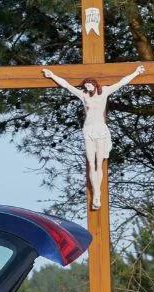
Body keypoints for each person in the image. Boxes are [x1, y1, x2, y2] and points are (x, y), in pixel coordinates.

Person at [42, 64, 144, 209]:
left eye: (90, 85)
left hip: (101, 130)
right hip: (88, 130)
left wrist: (136, 72)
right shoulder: (83, 95)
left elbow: (122, 82)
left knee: (98, 163)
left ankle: (97, 195)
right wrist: (52, 76)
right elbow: (67, 85)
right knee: (91, 163)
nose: (88, 87)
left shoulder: (105, 92)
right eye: (86, 86)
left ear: (95, 84)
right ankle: (96, 194)